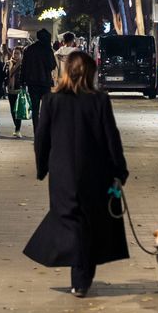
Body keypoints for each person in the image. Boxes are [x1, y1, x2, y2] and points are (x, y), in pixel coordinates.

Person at [24, 50, 129, 298]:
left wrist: (42, 168)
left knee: (69, 219)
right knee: (89, 221)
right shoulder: (99, 100)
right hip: (95, 172)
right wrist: (119, 169)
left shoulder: (52, 101)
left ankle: (78, 276)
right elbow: (111, 138)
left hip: (62, 173)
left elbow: (42, 138)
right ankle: (82, 276)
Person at [19, 28, 57, 132]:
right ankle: (45, 129)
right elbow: (52, 65)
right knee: (46, 108)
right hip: (45, 82)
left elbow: (24, 66)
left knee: (35, 108)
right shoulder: (47, 50)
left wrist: (22, 81)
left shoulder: (29, 49)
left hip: (32, 82)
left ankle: (37, 130)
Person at [6, 47, 24, 138]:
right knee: (12, 110)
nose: (15, 55)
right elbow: (4, 75)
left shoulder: (23, 65)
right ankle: (16, 128)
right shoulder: (8, 63)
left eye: (17, 53)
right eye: (14, 53)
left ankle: (17, 129)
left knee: (18, 111)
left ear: (21, 54)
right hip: (10, 90)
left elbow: (25, 76)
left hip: (19, 89)